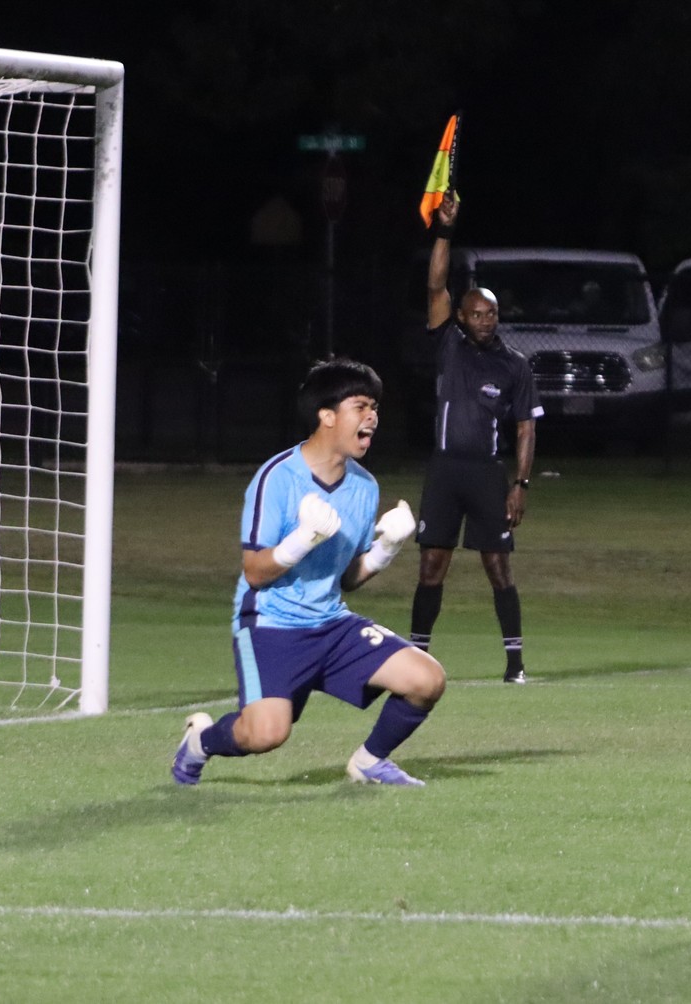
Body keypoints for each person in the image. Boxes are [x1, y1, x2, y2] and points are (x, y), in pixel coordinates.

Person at [172, 358, 446, 787]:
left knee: (426, 679)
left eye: (375, 407)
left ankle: (370, 762)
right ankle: (199, 741)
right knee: (265, 734)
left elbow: (348, 579)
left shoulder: (364, 486)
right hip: (271, 625)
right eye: (360, 406)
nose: (372, 417)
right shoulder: (277, 478)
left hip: (332, 624)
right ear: (326, 415)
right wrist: (301, 540)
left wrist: (385, 550)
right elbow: (255, 572)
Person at [409, 196, 544, 684]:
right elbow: (435, 285)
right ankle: (415, 658)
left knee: (498, 568)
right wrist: (445, 232)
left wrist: (520, 484)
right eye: (478, 313)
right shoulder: (449, 344)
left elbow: (526, 427)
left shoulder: (515, 365)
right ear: (462, 317)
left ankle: (515, 664)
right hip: (445, 471)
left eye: (492, 313)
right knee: (431, 565)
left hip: (487, 475)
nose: (486, 319)